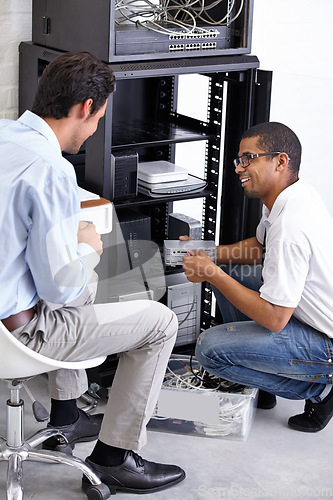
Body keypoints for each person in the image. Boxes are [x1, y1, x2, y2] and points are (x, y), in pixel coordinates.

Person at [0, 51, 185, 494]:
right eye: (99, 116)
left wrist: (68, 241)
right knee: (160, 322)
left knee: (88, 280)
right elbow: (59, 289)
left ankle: (67, 412)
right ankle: (114, 459)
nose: (96, 125)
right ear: (86, 109)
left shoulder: (5, 137)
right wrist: (85, 244)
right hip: (21, 334)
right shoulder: (51, 170)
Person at [181, 121, 333, 433]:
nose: (239, 168)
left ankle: (321, 391)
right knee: (233, 269)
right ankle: (262, 378)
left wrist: (212, 275)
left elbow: (275, 318)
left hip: (326, 345)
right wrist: (210, 256)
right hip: (309, 319)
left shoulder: (292, 224)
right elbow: (260, 248)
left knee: (209, 349)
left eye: (249, 158)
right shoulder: (291, 195)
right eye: (239, 160)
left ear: (280, 161)